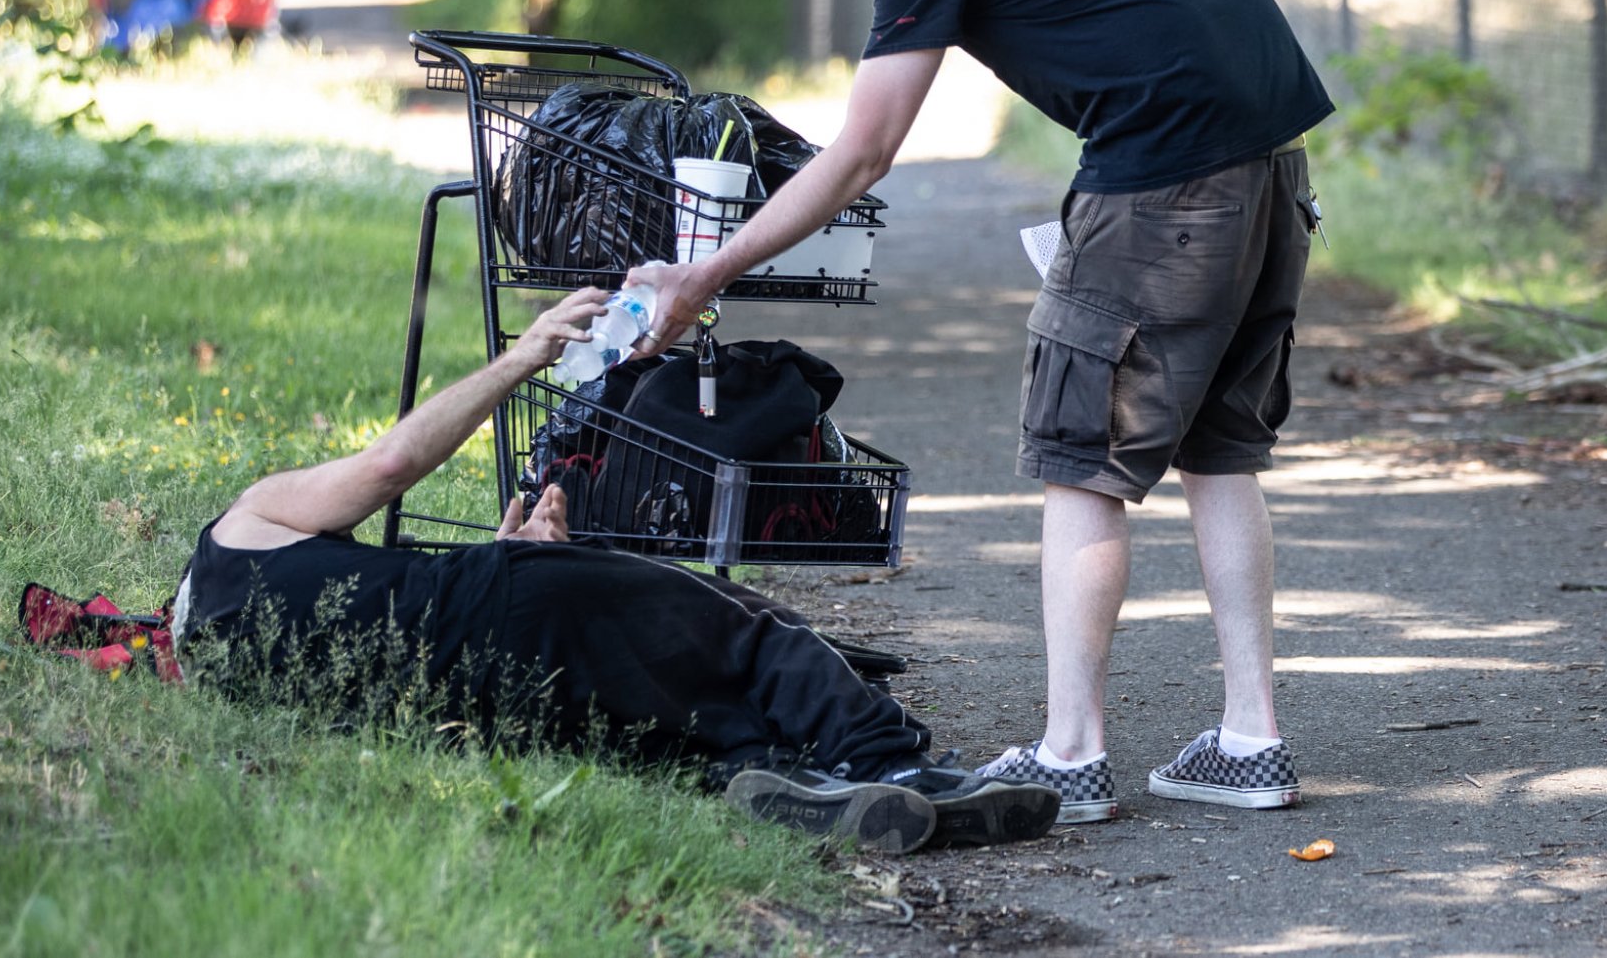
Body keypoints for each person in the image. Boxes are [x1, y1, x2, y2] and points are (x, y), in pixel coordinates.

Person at [627, 0, 1334, 823]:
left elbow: (864, 148)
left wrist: (707, 270)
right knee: (1220, 451)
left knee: (1081, 461)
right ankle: (1253, 741)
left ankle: (1071, 755)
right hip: (1271, 155)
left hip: (1159, 178)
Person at [169, 286, 1061, 854]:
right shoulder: (243, 524)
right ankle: (893, 760)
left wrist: (513, 552)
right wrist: (528, 355)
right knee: (735, 620)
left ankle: (782, 770)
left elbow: (399, 646)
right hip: (500, 604)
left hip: (491, 708)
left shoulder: (226, 660)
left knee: (670, 694)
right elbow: (387, 470)